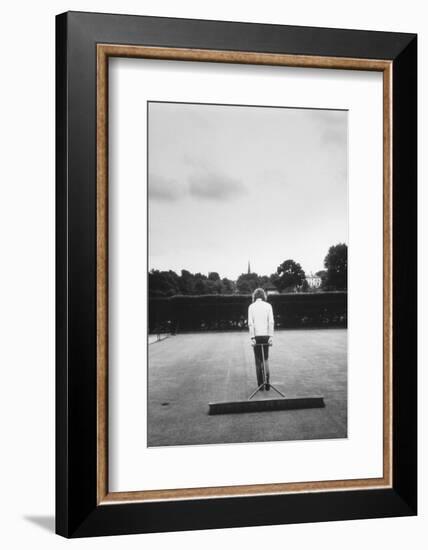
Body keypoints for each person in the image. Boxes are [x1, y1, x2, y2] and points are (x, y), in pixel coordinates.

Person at [248, 288, 274, 390]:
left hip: (257, 336)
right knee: (266, 359)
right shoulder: (268, 306)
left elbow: (251, 323)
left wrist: (252, 337)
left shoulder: (251, 307)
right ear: (263, 296)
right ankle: (267, 383)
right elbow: (271, 322)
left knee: (258, 360)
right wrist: (271, 337)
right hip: (266, 336)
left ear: (255, 296)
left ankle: (260, 385)